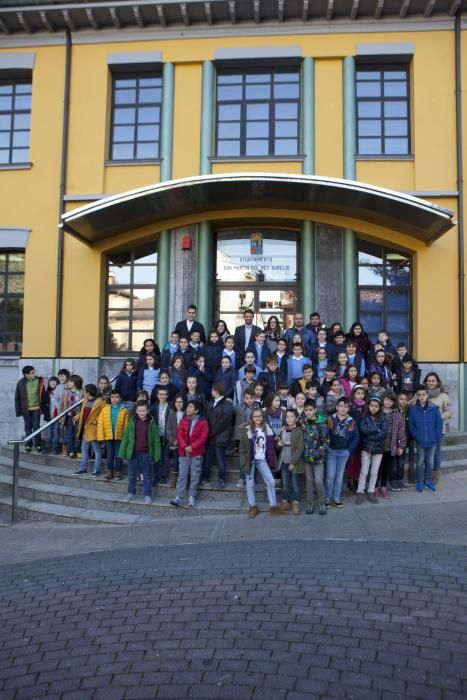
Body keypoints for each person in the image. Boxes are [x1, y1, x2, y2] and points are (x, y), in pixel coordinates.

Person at [239, 407, 285, 517]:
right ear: (252, 418)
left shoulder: (267, 428)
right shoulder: (247, 430)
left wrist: (278, 443)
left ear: (262, 417)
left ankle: (273, 506)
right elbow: (242, 449)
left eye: (259, 416)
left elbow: (273, 442)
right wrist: (243, 462)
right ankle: (252, 506)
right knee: (250, 484)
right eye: (255, 416)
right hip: (250, 460)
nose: (257, 418)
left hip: (261, 459)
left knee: (271, 481)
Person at [119, 400, 161, 505]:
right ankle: (130, 493)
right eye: (139, 411)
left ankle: (147, 495)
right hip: (134, 453)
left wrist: (157, 455)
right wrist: (122, 452)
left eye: (143, 410)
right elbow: (126, 439)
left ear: (147, 411)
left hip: (146, 453)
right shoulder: (131, 423)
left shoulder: (151, 423)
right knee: (132, 475)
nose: (141, 412)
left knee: (147, 475)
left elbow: (156, 441)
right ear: (136, 411)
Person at [170, 399, 209, 508]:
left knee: (195, 476)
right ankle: (179, 497)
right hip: (183, 453)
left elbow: (203, 437)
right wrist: (184, 447)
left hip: (196, 453)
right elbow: (180, 435)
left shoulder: (203, 422)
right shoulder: (183, 420)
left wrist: (192, 447)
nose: (188, 409)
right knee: (182, 475)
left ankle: (192, 497)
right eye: (188, 407)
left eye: (191, 407)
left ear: (196, 410)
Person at [325, 397, 359, 508]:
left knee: (339, 476)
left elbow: (356, 437)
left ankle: (336, 498)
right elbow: (326, 434)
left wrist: (349, 451)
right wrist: (327, 447)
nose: (343, 408)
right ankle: (327, 498)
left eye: (345, 406)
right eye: (340, 406)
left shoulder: (351, 421)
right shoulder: (331, 419)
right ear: (336, 407)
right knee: (330, 475)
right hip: (332, 451)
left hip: (344, 452)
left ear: (348, 408)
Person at [409, 384, 443, 493]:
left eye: (423, 394)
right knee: (419, 461)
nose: (422, 397)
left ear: (427, 394)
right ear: (417, 396)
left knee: (430, 462)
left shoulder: (434, 408)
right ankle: (420, 481)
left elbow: (439, 423)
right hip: (420, 441)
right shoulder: (414, 409)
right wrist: (416, 436)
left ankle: (428, 481)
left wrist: (436, 435)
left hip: (432, 442)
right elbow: (411, 425)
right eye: (419, 395)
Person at [202, 383, 234, 489]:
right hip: (210, 436)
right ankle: (205, 478)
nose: (211, 392)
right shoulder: (211, 403)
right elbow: (207, 418)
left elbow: (224, 421)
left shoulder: (227, 404)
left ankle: (221, 480)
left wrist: (213, 432)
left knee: (220, 459)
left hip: (220, 436)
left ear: (216, 391)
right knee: (208, 458)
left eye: (212, 390)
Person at [356, 397, 388, 504]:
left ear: (379, 408)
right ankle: (360, 492)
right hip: (366, 449)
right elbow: (363, 430)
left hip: (378, 450)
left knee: (374, 472)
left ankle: (370, 491)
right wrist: (375, 430)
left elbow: (384, 433)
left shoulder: (383, 418)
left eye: (376, 406)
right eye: (371, 406)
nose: (373, 408)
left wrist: (371, 435)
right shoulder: (364, 417)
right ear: (368, 406)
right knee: (364, 471)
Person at [302, 399, 329, 515]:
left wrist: (319, 453)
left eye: (310, 410)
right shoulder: (302, 421)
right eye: (306, 410)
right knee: (309, 481)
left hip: (318, 458)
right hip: (306, 458)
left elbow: (326, 441)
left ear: (315, 410)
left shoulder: (321, 424)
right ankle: (310, 502)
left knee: (318, 481)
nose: (308, 412)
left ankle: (321, 502)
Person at [424, 372, 451, 485]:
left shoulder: (443, 395)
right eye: (429, 381)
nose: (431, 383)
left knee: (436, 453)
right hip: (424, 430)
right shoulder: (421, 393)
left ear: (437, 382)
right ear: (426, 382)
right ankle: (426, 474)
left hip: (438, 430)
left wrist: (438, 417)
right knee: (426, 453)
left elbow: (449, 412)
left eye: (433, 381)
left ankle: (435, 475)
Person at [73, 384, 107, 476]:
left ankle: (96, 470)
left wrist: (96, 421)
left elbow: (104, 414)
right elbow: (82, 412)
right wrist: (77, 416)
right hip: (85, 429)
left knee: (96, 450)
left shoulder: (100, 402)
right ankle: (83, 468)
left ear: (88, 393)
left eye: (84, 391)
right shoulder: (85, 400)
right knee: (84, 449)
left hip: (93, 429)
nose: (84, 393)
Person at [97, 389, 129, 480]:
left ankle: (118, 472)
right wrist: (101, 436)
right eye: (112, 397)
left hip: (119, 436)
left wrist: (126, 438)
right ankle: (109, 472)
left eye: (116, 397)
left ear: (120, 398)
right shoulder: (105, 409)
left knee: (119, 455)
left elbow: (126, 425)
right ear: (110, 398)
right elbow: (101, 424)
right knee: (110, 455)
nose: (114, 399)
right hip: (109, 436)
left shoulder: (124, 410)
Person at [379, 391, 407, 496]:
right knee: (377, 468)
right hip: (378, 446)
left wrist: (401, 446)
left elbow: (401, 431)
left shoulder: (396, 414)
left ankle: (383, 487)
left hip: (390, 446)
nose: (388, 402)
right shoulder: (378, 412)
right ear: (383, 399)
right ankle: (375, 487)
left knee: (387, 467)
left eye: (391, 401)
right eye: (386, 399)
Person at [15, 365, 47, 452]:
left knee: (36, 427)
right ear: (26, 374)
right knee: (28, 428)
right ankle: (28, 444)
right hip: (26, 410)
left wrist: (44, 408)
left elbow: (43, 395)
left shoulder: (39, 381)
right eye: (32, 373)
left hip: (36, 409)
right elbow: (17, 397)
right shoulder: (21, 383)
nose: (34, 374)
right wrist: (18, 411)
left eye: (34, 372)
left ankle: (38, 444)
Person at [278, 409, 304, 515]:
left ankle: (295, 502)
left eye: (292, 416)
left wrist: (293, 463)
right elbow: (280, 447)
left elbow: (300, 448)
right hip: (284, 460)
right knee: (285, 482)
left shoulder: (298, 431)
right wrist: (278, 445)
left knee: (295, 483)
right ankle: (285, 501)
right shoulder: (283, 430)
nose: (289, 418)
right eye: (287, 417)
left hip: (294, 462)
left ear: (296, 418)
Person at [150, 386, 171, 484]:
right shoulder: (153, 407)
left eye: (164, 394)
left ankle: (163, 476)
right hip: (157, 435)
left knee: (165, 457)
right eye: (160, 394)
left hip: (167, 435)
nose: (162, 396)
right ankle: (155, 476)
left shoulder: (171, 407)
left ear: (167, 396)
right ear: (157, 395)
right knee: (156, 456)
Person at [60, 374, 84, 459]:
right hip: (69, 416)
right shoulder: (65, 391)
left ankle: (78, 450)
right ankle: (71, 451)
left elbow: (83, 405)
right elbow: (62, 405)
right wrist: (61, 416)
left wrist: (80, 414)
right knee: (69, 434)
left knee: (77, 434)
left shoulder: (81, 391)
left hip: (78, 416)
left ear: (76, 382)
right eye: (69, 381)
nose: (69, 383)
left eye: (71, 381)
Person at [166, 394, 185, 486]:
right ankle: (170, 477)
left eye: (180, 402)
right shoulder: (171, 412)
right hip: (172, 441)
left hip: (183, 442)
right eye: (177, 402)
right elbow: (168, 428)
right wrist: (172, 439)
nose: (178, 404)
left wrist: (179, 440)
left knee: (178, 460)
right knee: (167, 458)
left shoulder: (186, 414)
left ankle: (177, 478)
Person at [43, 376, 60, 454]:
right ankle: (48, 447)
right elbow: (43, 403)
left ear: (57, 383)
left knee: (56, 433)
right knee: (49, 433)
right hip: (49, 416)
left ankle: (55, 448)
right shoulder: (47, 393)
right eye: (51, 382)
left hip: (57, 416)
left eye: (54, 382)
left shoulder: (59, 392)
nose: (52, 383)